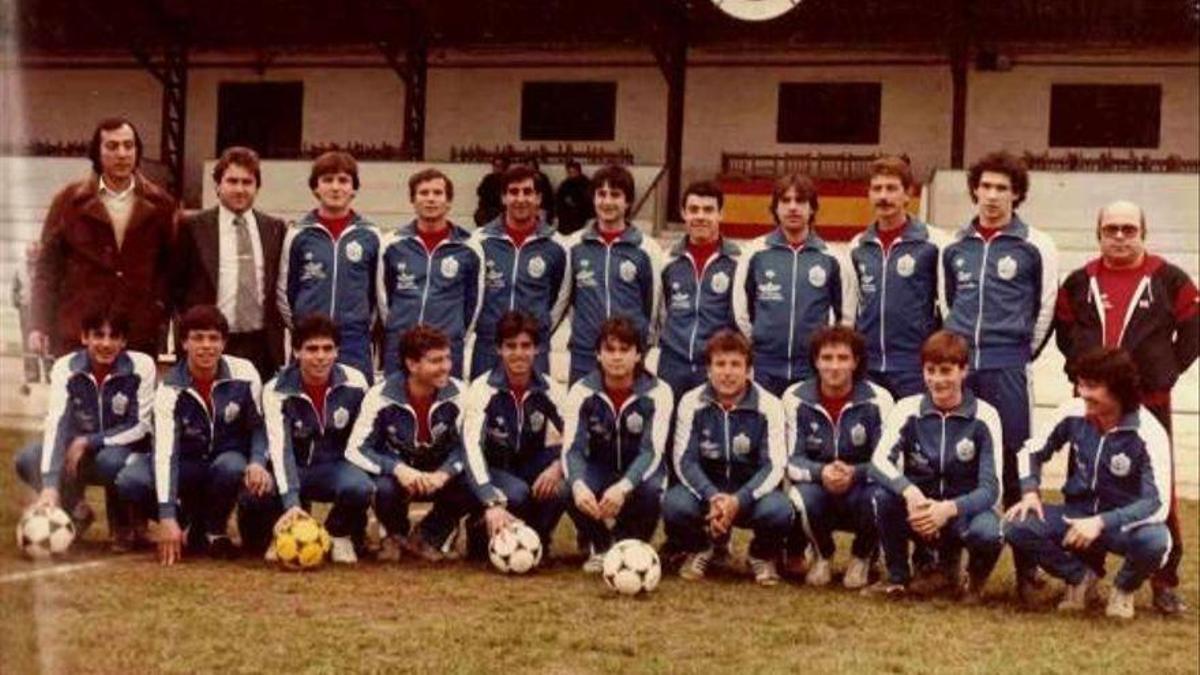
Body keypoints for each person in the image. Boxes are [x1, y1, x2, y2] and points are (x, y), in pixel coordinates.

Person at [1053, 200, 1198, 615]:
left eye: (1128, 229)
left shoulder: (1170, 279)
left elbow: (1193, 330)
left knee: (1159, 492)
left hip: (1148, 404)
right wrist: (1084, 371)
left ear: (1143, 233)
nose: (1119, 236)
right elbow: (1065, 332)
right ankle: (1084, 575)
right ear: (1098, 234)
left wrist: (1163, 370)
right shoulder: (1080, 281)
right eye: (1111, 229)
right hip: (1093, 406)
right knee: (1084, 484)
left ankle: (1164, 581)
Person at [942, 150, 1058, 596]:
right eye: (985, 187)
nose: (992, 196)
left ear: (1017, 194)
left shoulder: (1036, 244)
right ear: (974, 189)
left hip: (1009, 364)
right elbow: (948, 303)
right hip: (963, 366)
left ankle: (1027, 569)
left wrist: (1017, 353)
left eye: (1002, 189)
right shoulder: (954, 245)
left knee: (1015, 460)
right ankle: (946, 560)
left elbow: (1044, 308)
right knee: (955, 459)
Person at [1005, 347, 1172, 620]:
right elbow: (1031, 450)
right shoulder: (1074, 412)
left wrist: (1101, 522)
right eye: (1080, 384)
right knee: (1016, 524)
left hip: (1122, 524)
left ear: (1118, 390)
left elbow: (1157, 504)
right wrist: (1030, 491)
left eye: (1092, 386)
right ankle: (1080, 578)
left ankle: (1123, 589)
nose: (1082, 393)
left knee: (1155, 540)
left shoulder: (1148, 432)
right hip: (1077, 516)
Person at [116, 305, 273, 564]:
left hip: (225, 461)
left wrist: (257, 460)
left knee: (233, 465)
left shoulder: (244, 372)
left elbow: (258, 426)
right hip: (185, 463)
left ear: (224, 342)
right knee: (130, 480)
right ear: (184, 343)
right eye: (197, 338)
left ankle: (213, 530)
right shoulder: (169, 389)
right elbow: (165, 453)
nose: (206, 346)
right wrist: (166, 517)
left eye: (213, 338)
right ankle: (184, 523)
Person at [867, 330, 1004, 602]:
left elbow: (991, 489)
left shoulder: (985, 416)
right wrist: (911, 493)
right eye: (930, 370)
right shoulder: (908, 408)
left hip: (961, 511)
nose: (937, 380)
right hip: (919, 509)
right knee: (883, 496)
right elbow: (878, 463)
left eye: (946, 371)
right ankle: (897, 577)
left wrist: (948, 509)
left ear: (964, 371)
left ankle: (973, 584)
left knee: (989, 531)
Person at [30, 117, 176, 358]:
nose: (122, 154)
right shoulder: (68, 202)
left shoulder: (162, 205)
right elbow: (47, 268)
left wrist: (156, 311)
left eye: (129, 146)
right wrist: (38, 325)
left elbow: (170, 270)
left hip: (137, 334)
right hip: (77, 332)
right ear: (97, 152)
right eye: (112, 146)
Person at [13, 307, 156, 549]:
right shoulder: (65, 367)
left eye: (113, 337)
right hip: (75, 455)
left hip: (121, 451)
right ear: (84, 338)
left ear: (124, 341)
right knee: (28, 458)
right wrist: (49, 485)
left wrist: (90, 441)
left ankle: (125, 523)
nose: (106, 343)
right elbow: (56, 422)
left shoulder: (141, 366)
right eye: (98, 335)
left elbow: (140, 425)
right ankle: (74, 512)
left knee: (112, 461)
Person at [664, 329, 789, 586]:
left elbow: (774, 465)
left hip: (750, 495)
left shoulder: (770, 405)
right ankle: (702, 548)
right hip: (707, 494)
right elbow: (684, 460)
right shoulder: (691, 401)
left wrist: (738, 500)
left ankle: (760, 555)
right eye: (720, 364)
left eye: (736, 364)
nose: (727, 372)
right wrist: (712, 496)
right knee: (674, 504)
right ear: (708, 370)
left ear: (748, 370)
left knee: (780, 510)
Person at [344, 325, 478, 562]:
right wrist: (398, 469)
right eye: (436, 361)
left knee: (471, 481)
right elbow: (356, 449)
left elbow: (471, 446)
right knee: (383, 487)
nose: (446, 366)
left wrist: (444, 473)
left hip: (439, 472)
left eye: (447, 358)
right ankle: (395, 536)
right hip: (401, 472)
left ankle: (429, 536)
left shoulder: (460, 393)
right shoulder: (380, 396)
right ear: (412, 364)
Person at [780, 325, 893, 587]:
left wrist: (856, 473)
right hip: (820, 487)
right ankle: (822, 555)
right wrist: (822, 472)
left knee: (883, 495)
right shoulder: (794, 397)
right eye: (827, 358)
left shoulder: (880, 399)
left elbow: (889, 462)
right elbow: (791, 460)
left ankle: (862, 557)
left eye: (843, 358)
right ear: (816, 361)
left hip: (861, 490)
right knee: (800, 495)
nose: (834, 366)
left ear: (856, 362)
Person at [562, 317, 673, 572]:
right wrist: (579, 486)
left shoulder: (659, 392)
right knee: (566, 489)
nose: (617, 357)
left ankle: (630, 543)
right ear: (598, 355)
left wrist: (623, 487)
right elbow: (573, 450)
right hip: (601, 468)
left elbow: (651, 451)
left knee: (651, 489)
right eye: (609, 350)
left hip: (640, 472)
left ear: (638, 355)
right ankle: (600, 544)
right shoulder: (581, 390)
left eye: (625, 350)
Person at [261, 313, 375, 564]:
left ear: (337, 351)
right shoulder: (275, 389)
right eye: (312, 349)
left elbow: (365, 439)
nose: (320, 356)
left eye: (328, 349)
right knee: (261, 489)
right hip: (296, 467)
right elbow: (281, 450)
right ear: (297, 352)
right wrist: (290, 501)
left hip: (336, 467)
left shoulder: (356, 382)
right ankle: (283, 532)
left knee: (360, 486)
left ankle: (338, 533)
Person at [733, 173, 855, 396]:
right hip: (764, 365)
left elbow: (845, 317)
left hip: (812, 366)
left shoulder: (832, 257)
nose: (792, 208)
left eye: (800, 201)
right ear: (775, 208)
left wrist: (827, 355)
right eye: (785, 201)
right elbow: (742, 310)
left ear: (812, 208)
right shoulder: (755, 252)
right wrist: (760, 341)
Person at [173, 146, 286, 379]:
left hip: (261, 345)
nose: (239, 189)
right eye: (232, 181)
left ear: (257, 187)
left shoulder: (274, 229)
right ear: (217, 185)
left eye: (247, 182)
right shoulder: (193, 228)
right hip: (209, 344)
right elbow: (176, 286)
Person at [461, 311, 568, 554]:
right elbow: (471, 449)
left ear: (537, 349)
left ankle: (539, 540)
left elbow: (576, 438)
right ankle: (480, 529)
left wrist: (557, 468)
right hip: (494, 469)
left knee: (563, 483)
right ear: (499, 349)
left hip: (529, 464)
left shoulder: (550, 389)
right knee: (518, 492)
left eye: (525, 346)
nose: (519, 353)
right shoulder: (483, 389)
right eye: (510, 346)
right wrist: (490, 500)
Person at [849, 156, 948, 399]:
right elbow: (852, 308)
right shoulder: (858, 245)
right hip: (868, 367)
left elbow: (947, 306)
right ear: (869, 194)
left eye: (892, 188)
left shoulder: (934, 242)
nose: (884, 196)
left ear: (908, 194)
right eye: (877, 189)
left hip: (913, 365)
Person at [278, 151, 382, 382]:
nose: (336, 187)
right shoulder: (298, 233)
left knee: (356, 403)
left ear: (354, 188)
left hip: (354, 338)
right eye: (327, 180)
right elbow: (285, 289)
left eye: (343, 180)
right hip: (310, 339)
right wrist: (302, 326)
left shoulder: (370, 235)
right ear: (315, 187)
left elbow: (378, 293)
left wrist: (361, 323)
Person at [563, 164, 664, 385]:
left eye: (615, 195)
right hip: (585, 354)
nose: (607, 202)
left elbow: (653, 304)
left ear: (627, 202)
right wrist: (584, 331)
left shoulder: (647, 249)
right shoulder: (574, 245)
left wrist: (641, 345)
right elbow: (567, 302)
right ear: (593, 198)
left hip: (628, 354)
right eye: (601, 194)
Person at [379, 168, 483, 378]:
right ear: (413, 199)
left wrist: (455, 334)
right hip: (400, 344)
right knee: (396, 404)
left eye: (438, 193)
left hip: (446, 346)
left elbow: (474, 304)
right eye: (424, 193)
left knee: (445, 406)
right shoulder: (392, 244)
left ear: (449, 201)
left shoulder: (469, 247)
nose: (431, 199)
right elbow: (383, 298)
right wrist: (398, 327)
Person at [469, 165, 570, 378]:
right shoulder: (480, 241)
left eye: (527, 192)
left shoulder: (556, 245)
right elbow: (470, 295)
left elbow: (559, 298)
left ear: (538, 198)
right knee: (483, 406)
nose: (520, 198)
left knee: (533, 408)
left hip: (534, 348)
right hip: (489, 345)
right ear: (503, 198)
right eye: (513, 192)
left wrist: (538, 327)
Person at [657, 180, 741, 399]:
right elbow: (659, 311)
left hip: (717, 365)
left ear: (721, 214)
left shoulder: (739, 262)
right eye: (693, 209)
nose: (700, 216)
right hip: (672, 363)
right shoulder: (666, 260)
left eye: (708, 210)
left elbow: (743, 316)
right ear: (683, 213)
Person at [554, 160, 593, 236]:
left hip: (581, 217)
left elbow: (588, 202)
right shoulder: (565, 184)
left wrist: (574, 203)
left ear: (579, 172)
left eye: (574, 172)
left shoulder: (586, 184)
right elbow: (559, 200)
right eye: (569, 172)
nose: (572, 175)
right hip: (565, 219)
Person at [474, 155, 508, 227]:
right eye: (495, 166)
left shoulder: (508, 180)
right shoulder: (488, 179)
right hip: (487, 209)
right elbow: (480, 192)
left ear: (504, 167)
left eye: (500, 166)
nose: (497, 168)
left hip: (501, 209)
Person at [528, 157, 556, 225]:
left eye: (532, 166)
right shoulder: (524, 178)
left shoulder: (543, 177)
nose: (531, 168)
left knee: (541, 225)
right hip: (529, 206)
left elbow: (547, 194)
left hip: (541, 206)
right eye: (529, 166)